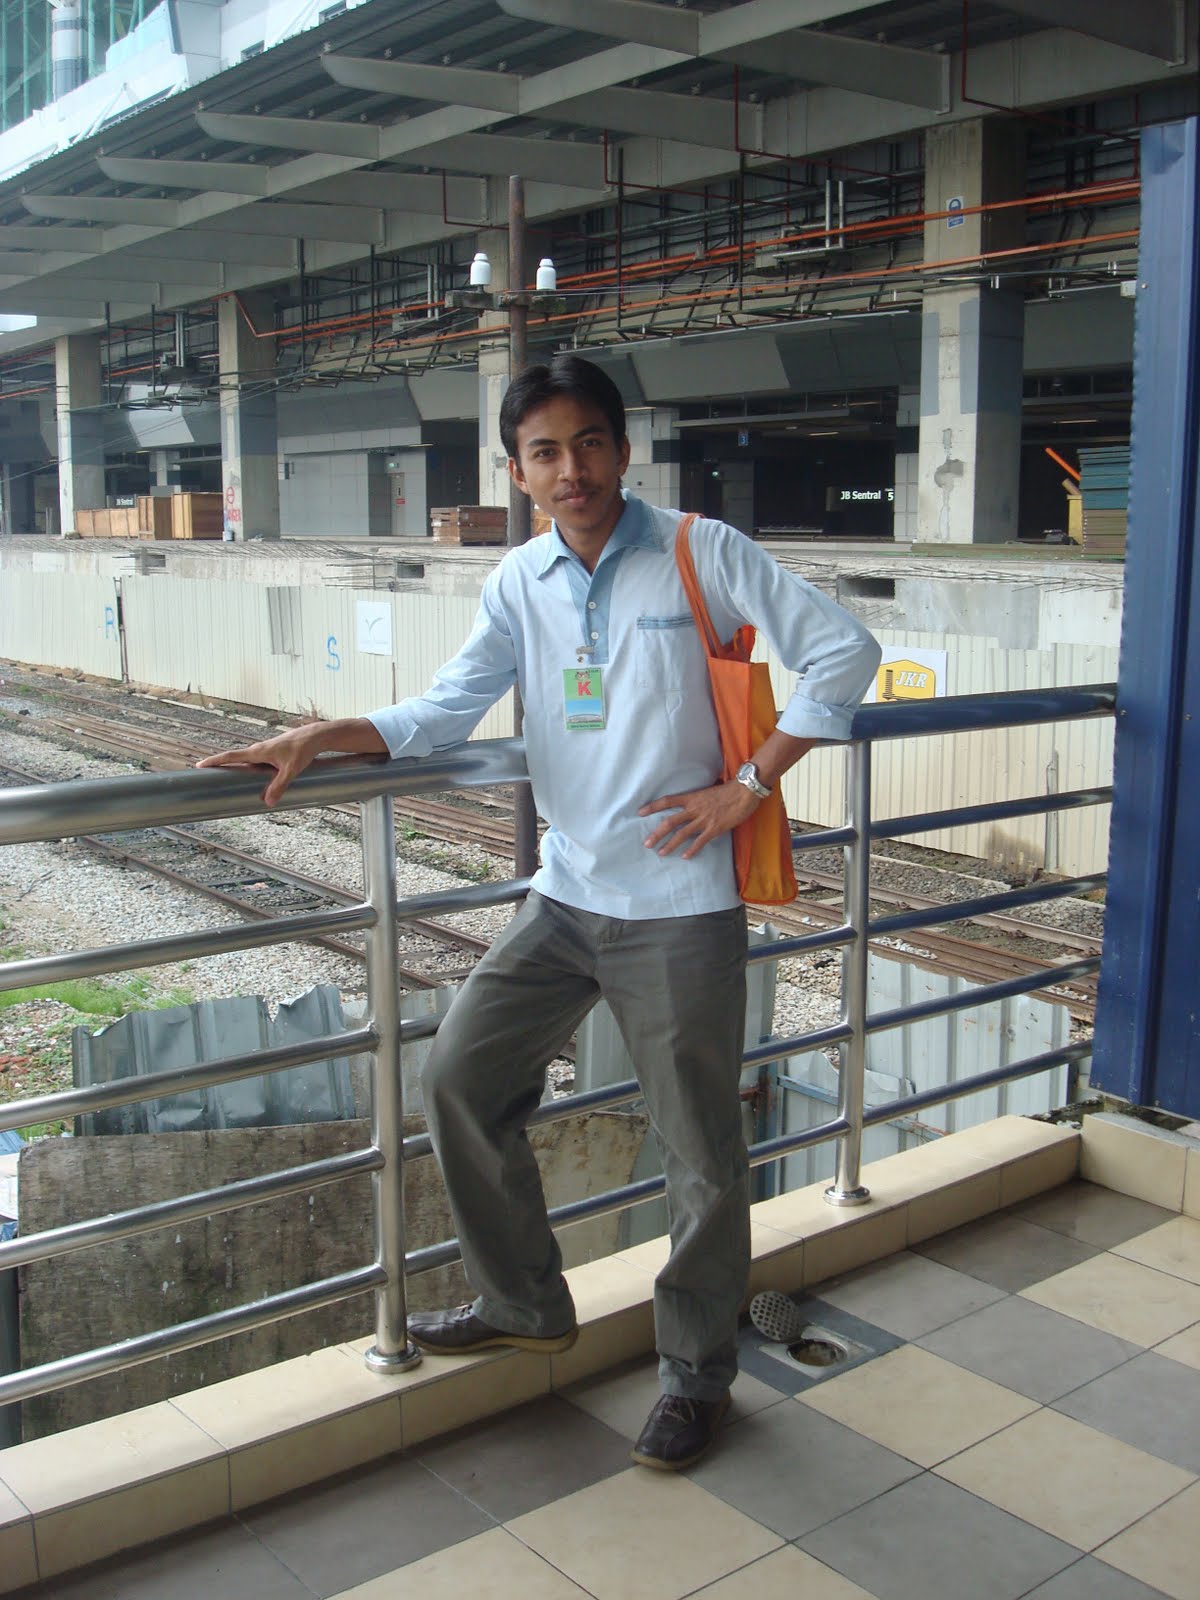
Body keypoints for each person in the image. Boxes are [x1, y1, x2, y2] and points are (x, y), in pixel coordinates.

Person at [198, 354, 880, 1470]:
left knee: (702, 1151)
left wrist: (749, 784)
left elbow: (845, 653)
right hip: (564, 895)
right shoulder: (519, 580)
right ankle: (524, 1302)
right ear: (515, 471)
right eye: (546, 452)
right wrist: (326, 734)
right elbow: (448, 705)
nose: (574, 470)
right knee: (460, 1081)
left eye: (590, 443)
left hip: (680, 905)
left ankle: (695, 1374)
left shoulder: (700, 551)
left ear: (624, 448)